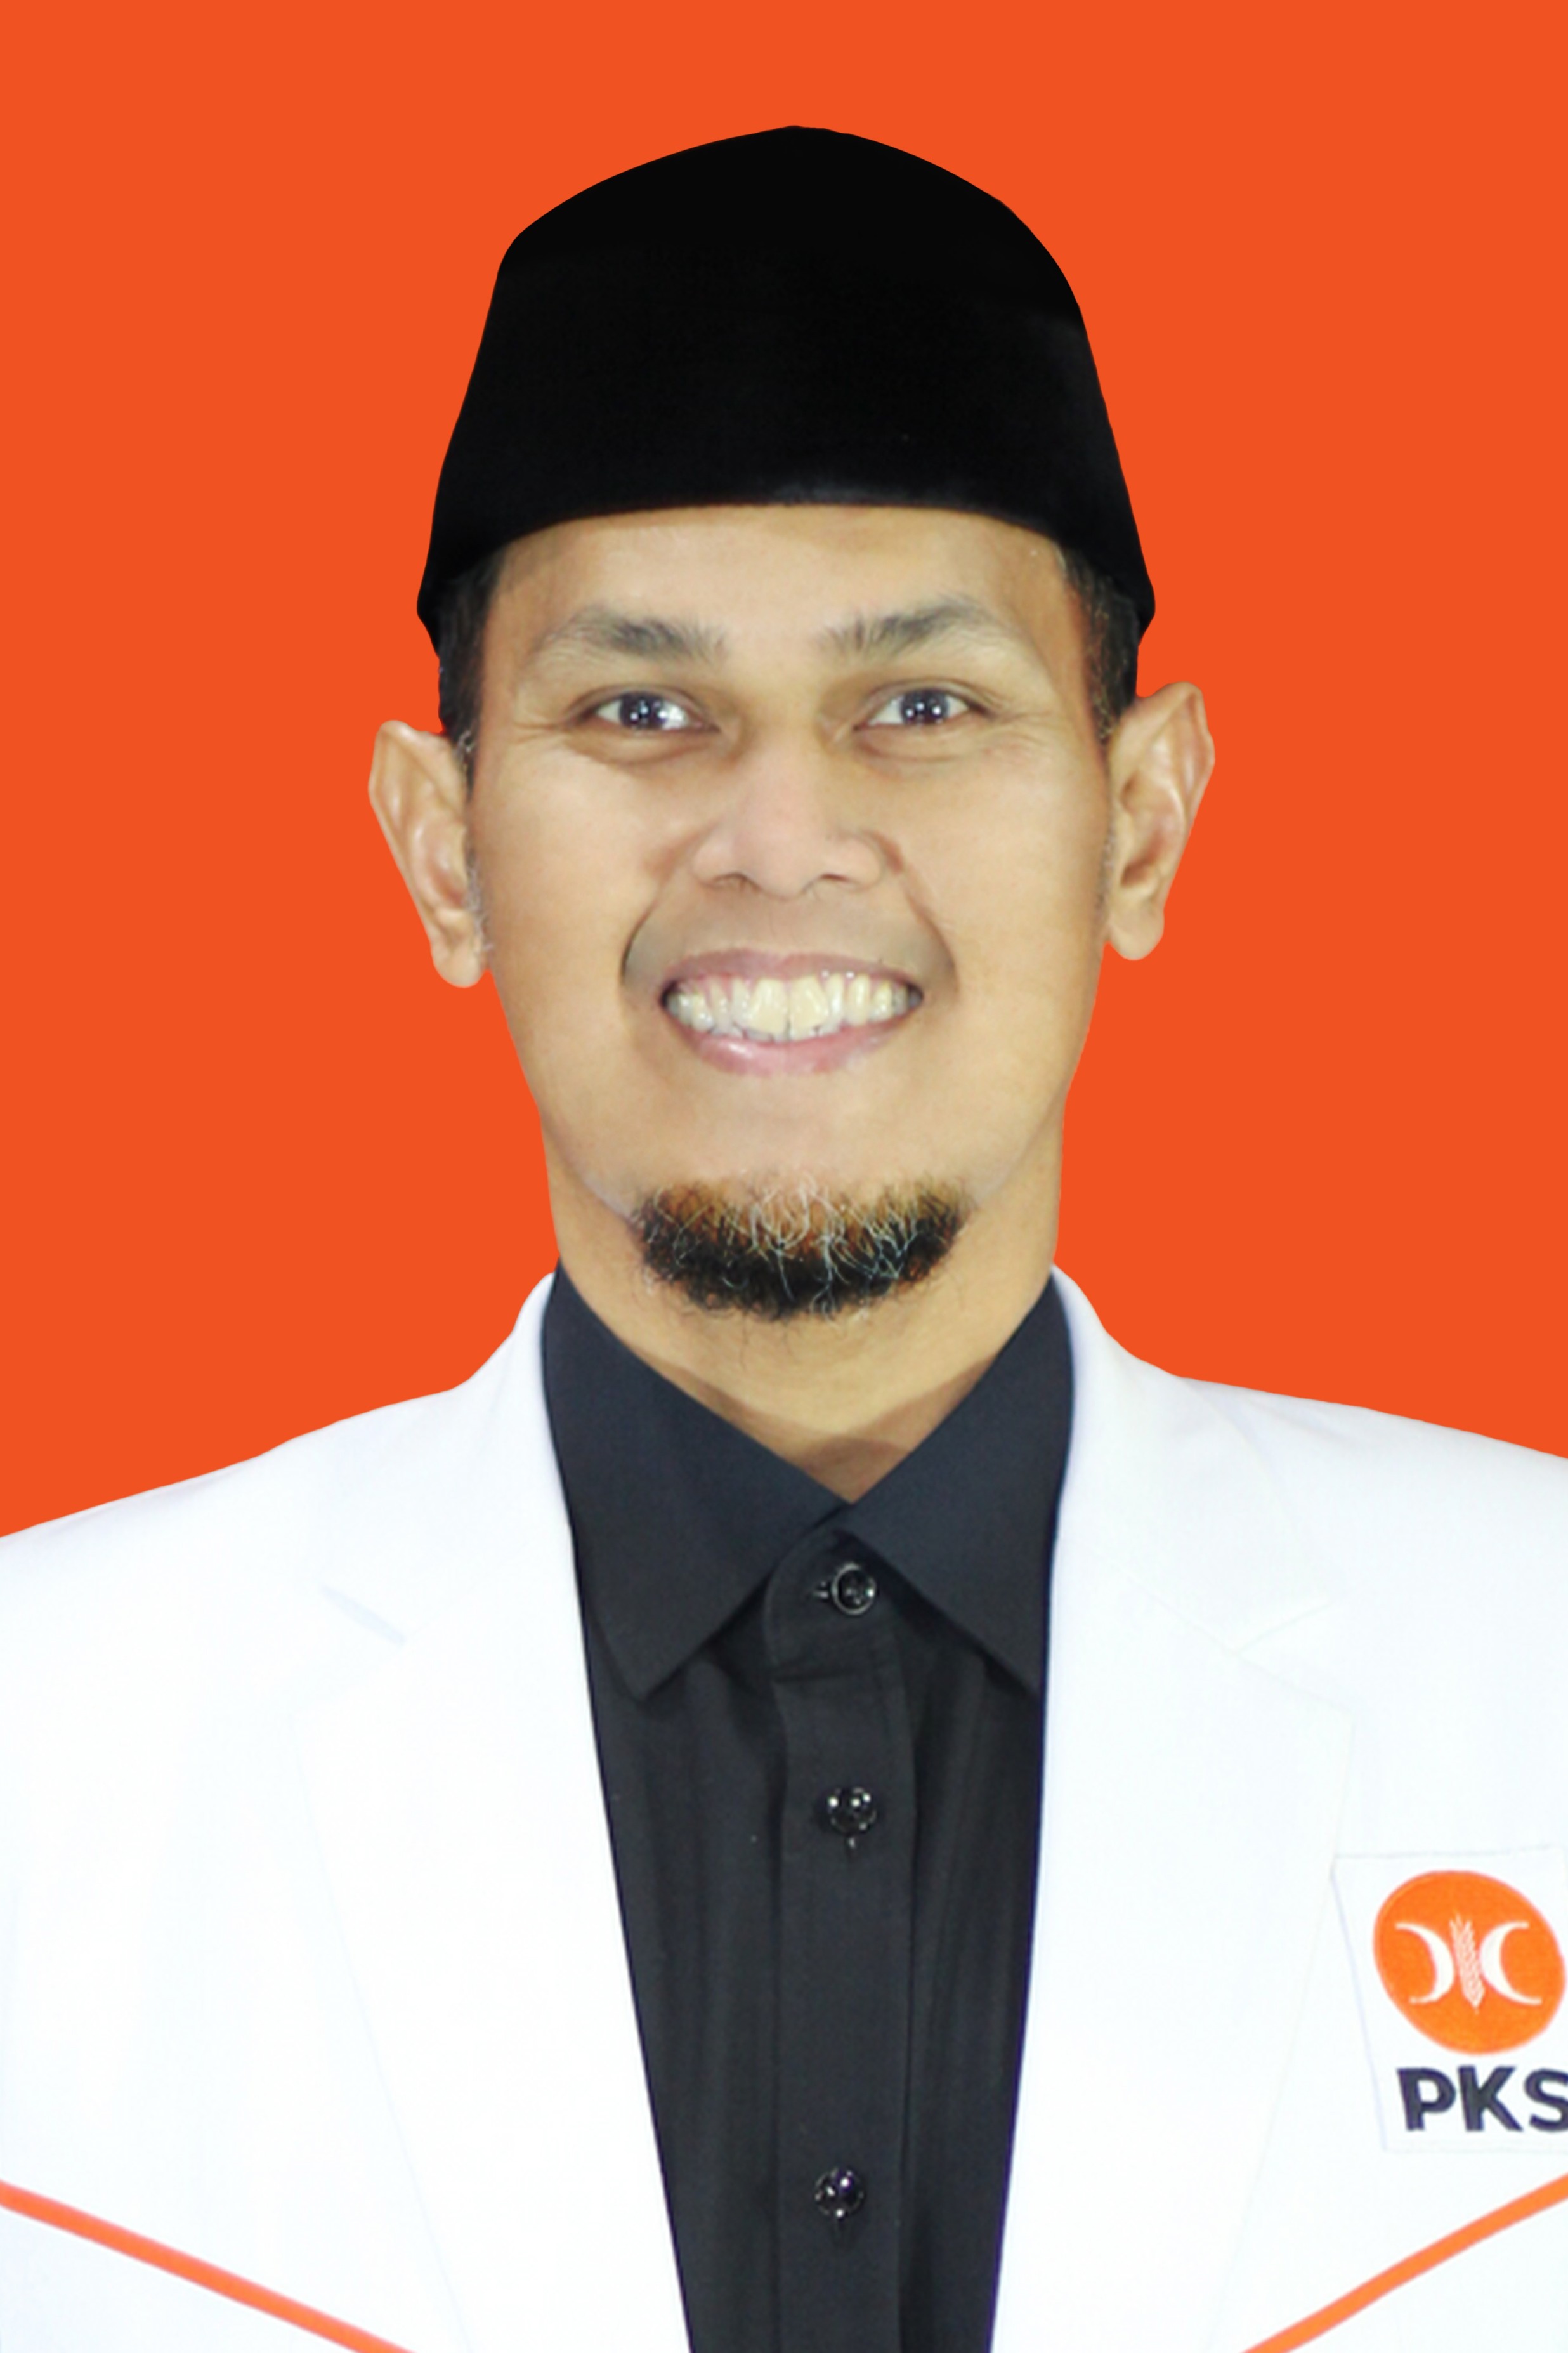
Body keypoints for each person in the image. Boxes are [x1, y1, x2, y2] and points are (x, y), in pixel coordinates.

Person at [1, 125, 1565, 2353]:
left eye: (922, 707)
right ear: (443, 850)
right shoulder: (45, 1747)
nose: (780, 838)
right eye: (640, 711)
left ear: (1141, 822)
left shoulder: (1534, 1671)